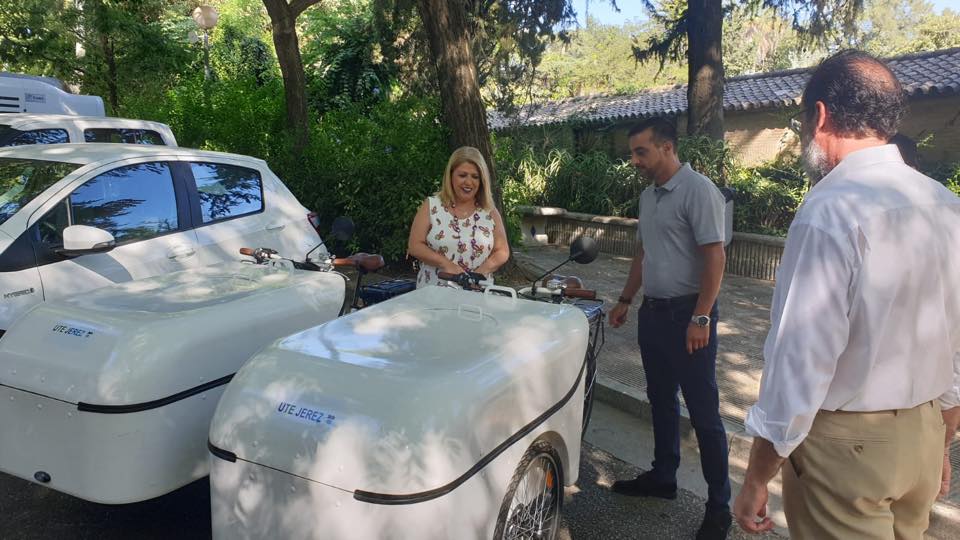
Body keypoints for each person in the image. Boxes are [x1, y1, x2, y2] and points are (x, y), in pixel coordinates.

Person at [733, 49, 960, 539]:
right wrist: (942, 437)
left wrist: (756, 477)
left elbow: (800, 364)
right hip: (923, 432)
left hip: (847, 448)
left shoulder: (829, 210)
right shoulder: (945, 204)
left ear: (819, 116)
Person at [608, 117, 732, 540]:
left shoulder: (698, 190)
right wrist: (626, 299)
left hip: (688, 316)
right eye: (632, 153)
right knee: (660, 399)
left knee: (703, 412)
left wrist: (701, 316)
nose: (634, 160)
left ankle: (719, 507)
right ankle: (664, 476)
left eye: (640, 151)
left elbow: (715, 257)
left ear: (666, 147)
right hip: (654, 314)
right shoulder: (648, 196)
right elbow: (642, 254)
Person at [407, 146, 509, 287]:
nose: (468, 182)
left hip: (477, 292)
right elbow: (415, 245)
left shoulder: (490, 211)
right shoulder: (431, 206)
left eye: (475, 177)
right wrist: (446, 264)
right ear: (450, 176)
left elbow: (502, 251)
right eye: (462, 175)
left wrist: (479, 274)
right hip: (435, 293)